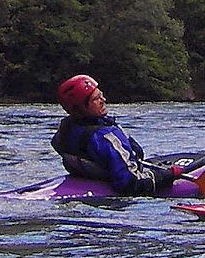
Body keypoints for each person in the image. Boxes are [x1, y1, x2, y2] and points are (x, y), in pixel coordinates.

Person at [51, 73, 180, 196]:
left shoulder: (65, 129)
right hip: (120, 183)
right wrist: (169, 175)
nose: (103, 100)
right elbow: (130, 183)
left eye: (101, 95)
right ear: (80, 109)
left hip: (86, 178)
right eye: (96, 99)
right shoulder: (107, 137)